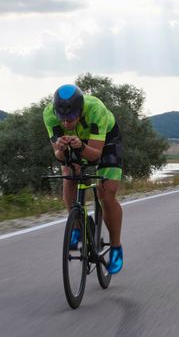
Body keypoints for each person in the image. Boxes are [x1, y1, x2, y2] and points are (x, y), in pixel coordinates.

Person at [43, 84, 124, 274]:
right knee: (69, 174)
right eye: (61, 118)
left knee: (106, 195)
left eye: (71, 118)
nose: (65, 123)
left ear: (80, 112)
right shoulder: (48, 114)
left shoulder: (96, 110)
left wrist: (80, 147)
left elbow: (95, 155)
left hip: (107, 142)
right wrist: (61, 149)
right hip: (76, 142)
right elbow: (60, 157)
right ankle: (78, 225)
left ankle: (115, 247)